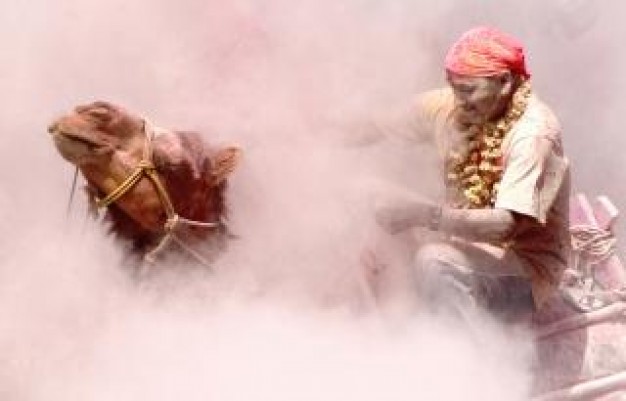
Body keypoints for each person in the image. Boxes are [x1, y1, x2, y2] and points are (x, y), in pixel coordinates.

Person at [373, 26, 571, 318]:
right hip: (465, 245)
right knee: (369, 213)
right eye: (453, 87)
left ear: (505, 83)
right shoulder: (450, 106)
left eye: (467, 90)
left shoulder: (533, 134)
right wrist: (311, 133)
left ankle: (461, 359)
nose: (458, 100)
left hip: (525, 270)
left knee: (435, 262)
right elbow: (375, 124)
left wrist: (423, 214)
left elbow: (505, 224)